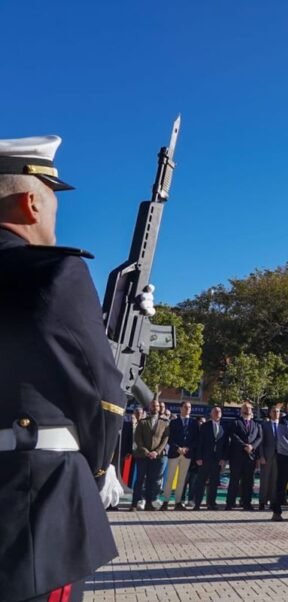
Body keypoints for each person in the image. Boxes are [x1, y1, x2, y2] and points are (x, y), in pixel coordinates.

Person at [0, 136, 126, 601]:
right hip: (34, 500)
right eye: (54, 204)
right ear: (31, 202)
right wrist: (98, 469)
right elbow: (101, 392)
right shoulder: (54, 272)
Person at [131, 399, 169, 511]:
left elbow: (165, 439)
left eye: (157, 406)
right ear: (149, 407)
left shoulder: (164, 423)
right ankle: (134, 503)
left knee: (152, 480)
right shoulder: (143, 422)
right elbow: (138, 438)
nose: (155, 407)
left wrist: (156, 452)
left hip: (157, 456)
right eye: (153, 406)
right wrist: (146, 451)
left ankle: (149, 503)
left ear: (159, 408)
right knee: (139, 480)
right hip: (142, 456)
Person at [160, 401, 197, 510]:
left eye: (189, 407)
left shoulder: (194, 423)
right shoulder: (174, 422)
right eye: (185, 407)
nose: (187, 409)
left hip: (187, 454)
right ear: (181, 409)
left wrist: (187, 448)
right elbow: (170, 438)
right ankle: (165, 502)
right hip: (174, 453)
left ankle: (178, 502)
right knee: (170, 479)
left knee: (182, 480)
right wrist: (178, 448)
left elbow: (196, 439)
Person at [226, 402, 262, 510]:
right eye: (245, 409)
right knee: (234, 481)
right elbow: (233, 435)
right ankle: (230, 503)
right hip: (237, 457)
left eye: (249, 409)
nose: (247, 411)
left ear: (252, 411)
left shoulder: (257, 425)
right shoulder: (235, 423)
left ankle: (246, 503)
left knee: (248, 482)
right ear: (241, 411)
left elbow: (259, 438)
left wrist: (252, 446)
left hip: (250, 457)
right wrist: (244, 446)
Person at [193, 406, 228, 510]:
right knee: (201, 482)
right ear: (211, 414)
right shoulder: (205, 426)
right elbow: (200, 442)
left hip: (217, 460)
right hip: (204, 458)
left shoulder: (224, 426)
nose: (217, 413)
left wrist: (223, 459)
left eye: (219, 412)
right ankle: (197, 503)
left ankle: (211, 503)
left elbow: (226, 444)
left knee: (214, 482)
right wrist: (198, 457)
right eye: (215, 412)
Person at [258, 404, 282, 511]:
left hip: (279, 457)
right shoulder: (264, 425)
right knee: (264, 480)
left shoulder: (282, 425)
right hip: (267, 456)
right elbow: (261, 442)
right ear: (270, 413)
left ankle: (273, 502)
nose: (276, 413)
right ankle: (262, 502)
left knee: (275, 480)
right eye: (274, 411)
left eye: (277, 411)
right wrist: (261, 456)